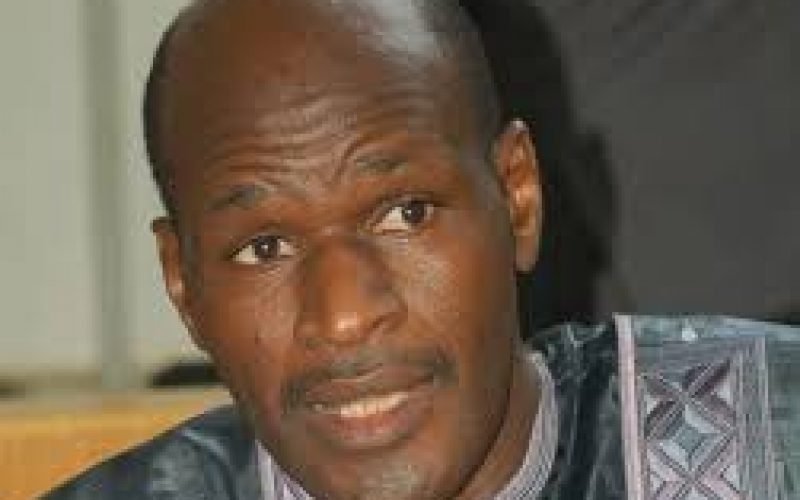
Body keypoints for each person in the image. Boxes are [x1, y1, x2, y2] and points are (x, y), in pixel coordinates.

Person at [43, 0, 797, 498]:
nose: (343, 316)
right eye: (263, 247)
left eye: (406, 213)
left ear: (517, 200)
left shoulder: (767, 440)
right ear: (182, 285)